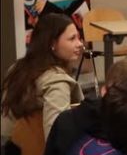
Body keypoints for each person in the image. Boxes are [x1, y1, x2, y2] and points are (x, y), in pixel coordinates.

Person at [1, 14, 84, 147]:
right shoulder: (57, 83)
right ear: (52, 44)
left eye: (79, 38)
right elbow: (57, 140)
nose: (79, 44)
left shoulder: (16, 69)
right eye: (72, 39)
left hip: (11, 153)